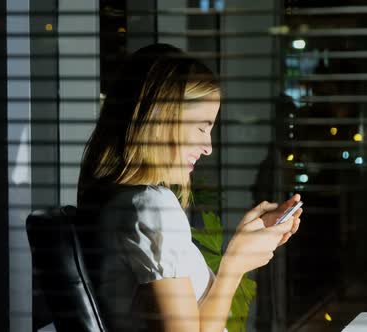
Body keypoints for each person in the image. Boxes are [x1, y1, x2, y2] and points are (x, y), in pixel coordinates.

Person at [76, 43, 303, 332]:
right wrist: (234, 263)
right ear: (162, 119)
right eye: (201, 127)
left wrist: (241, 247)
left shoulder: (118, 201)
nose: (208, 147)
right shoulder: (150, 206)